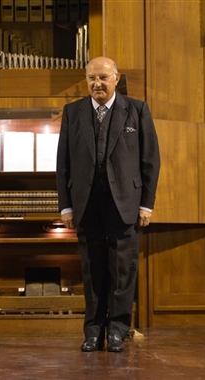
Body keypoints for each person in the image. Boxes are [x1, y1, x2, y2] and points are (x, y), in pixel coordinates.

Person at [56, 57, 160, 352]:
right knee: (92, 270)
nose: (96, 84)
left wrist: (146, 205)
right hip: (86, 203)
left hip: (125, 202)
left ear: (116, 79)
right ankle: (92, 332)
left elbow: (150, 160)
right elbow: (63, 161)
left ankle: (117, 330)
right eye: (91, 78)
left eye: (102, 77)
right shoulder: (73, 111)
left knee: (122, 270)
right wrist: (66, 206)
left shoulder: (137, 110)